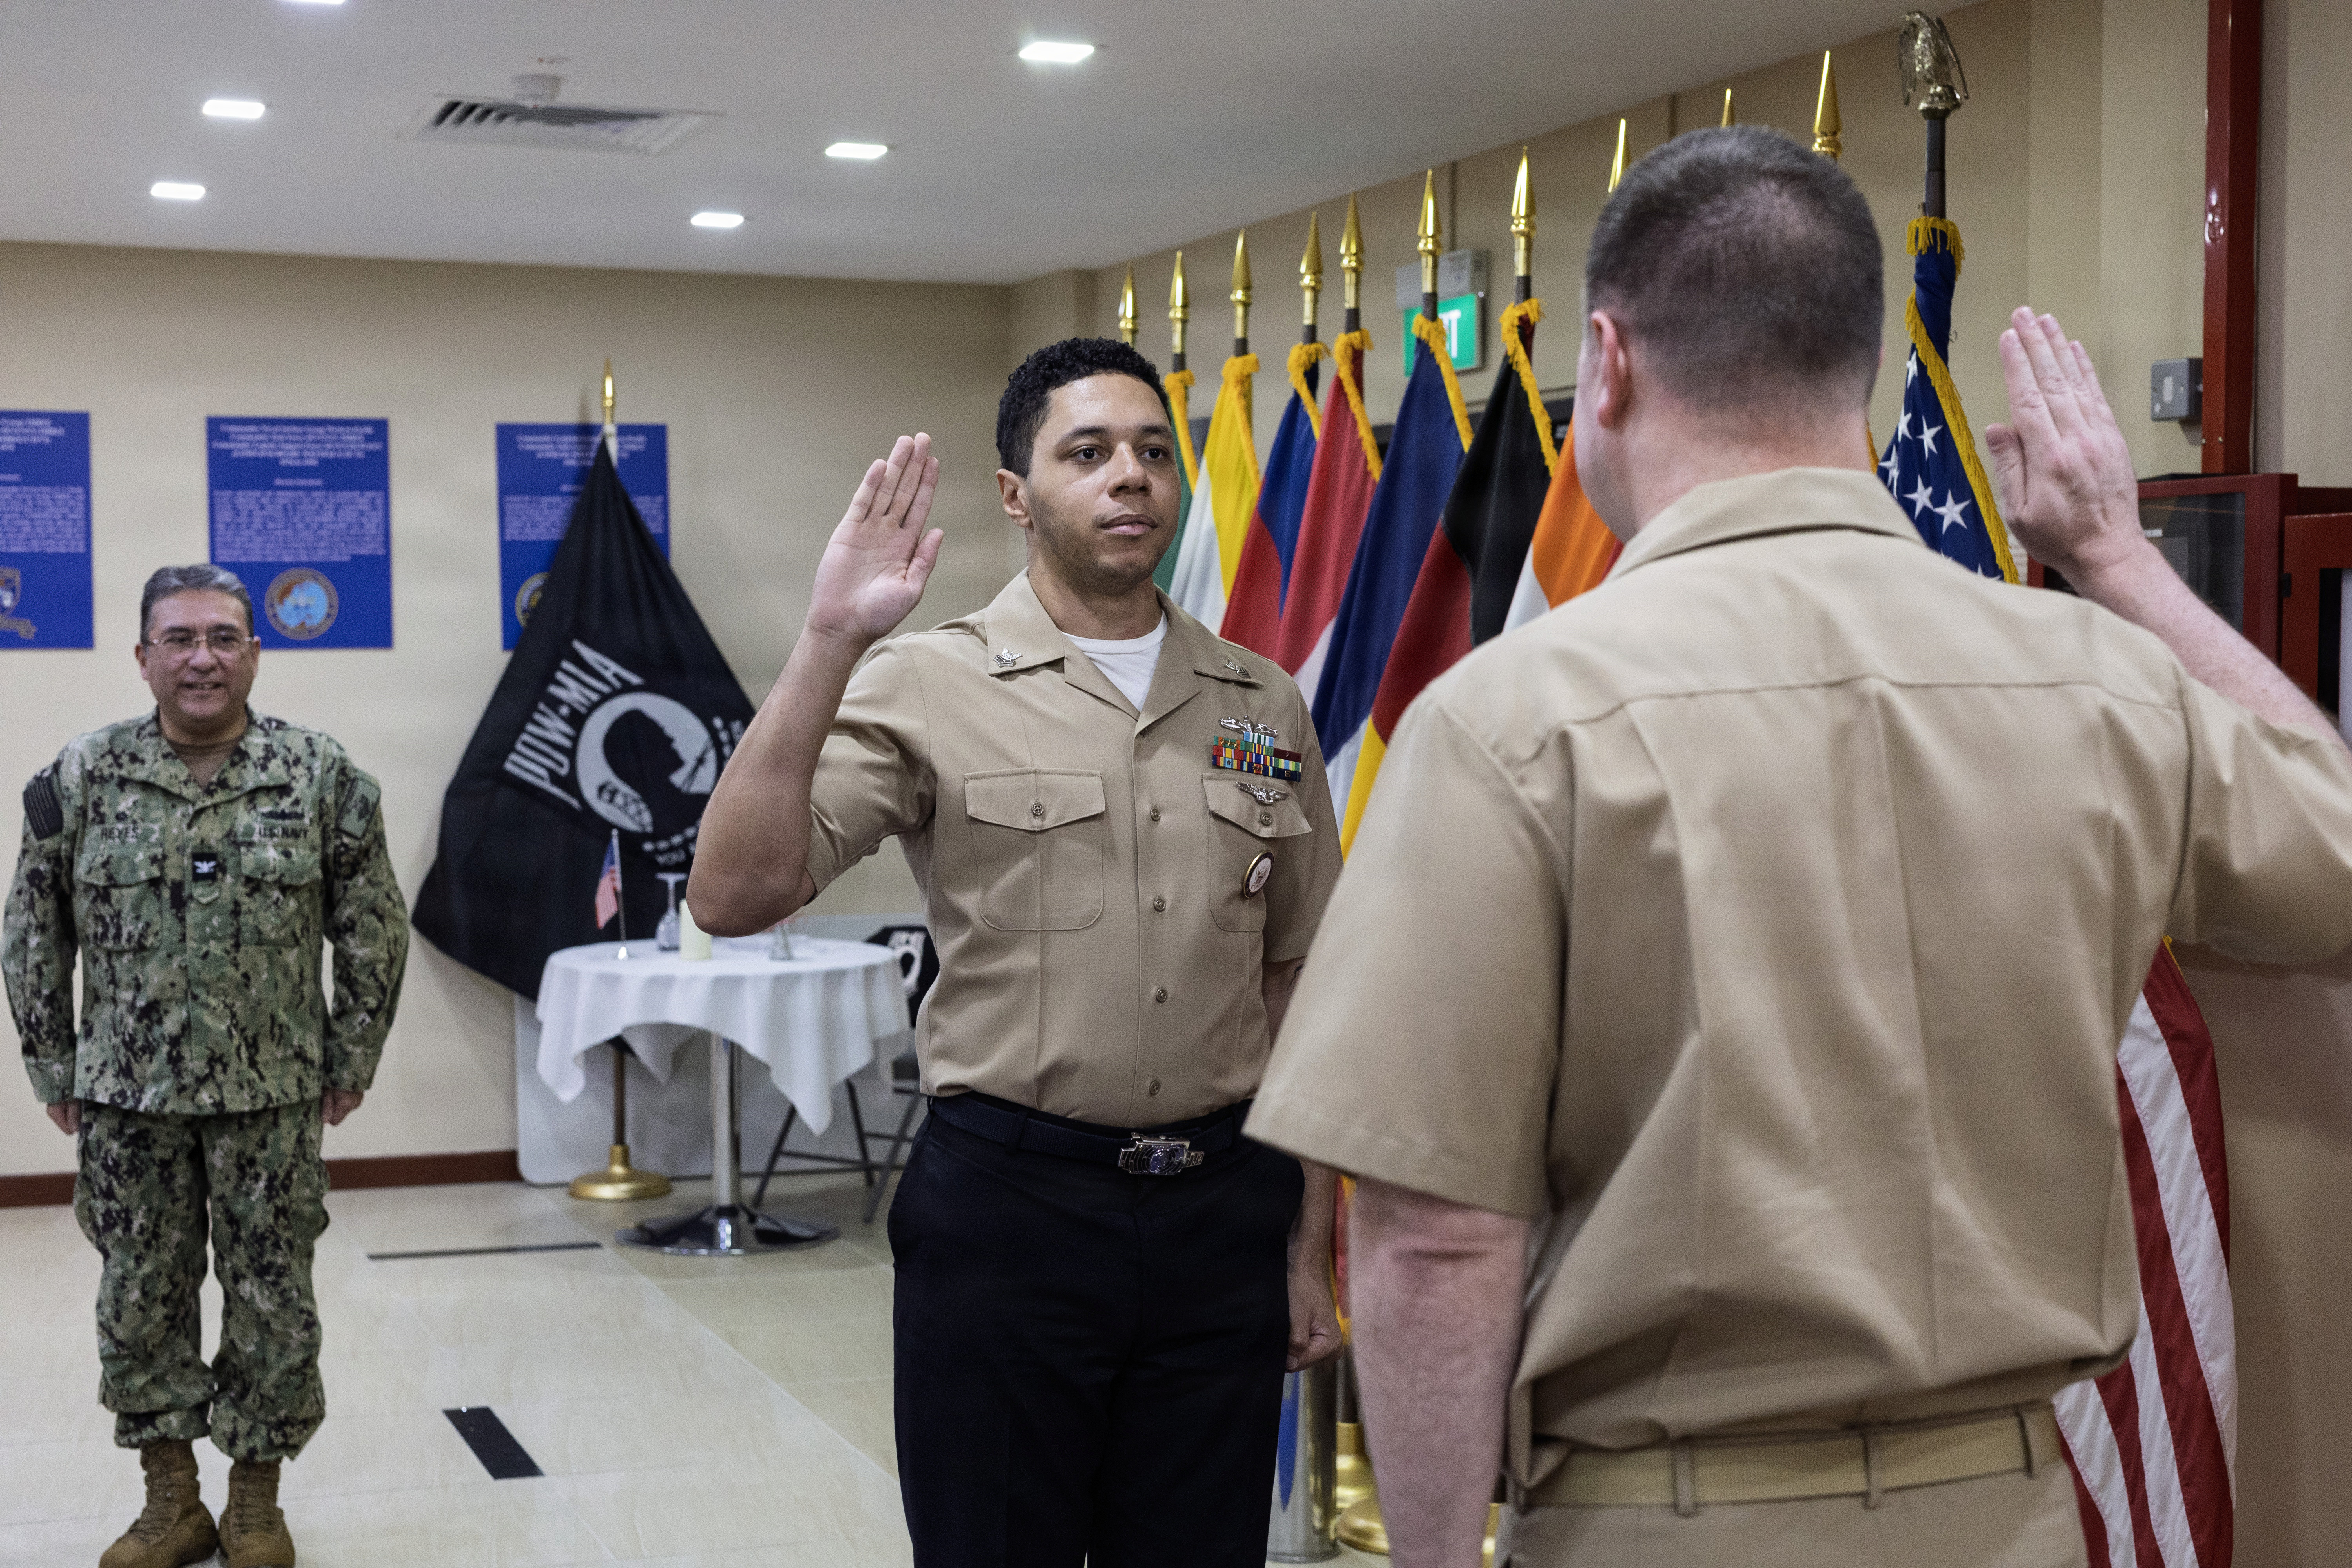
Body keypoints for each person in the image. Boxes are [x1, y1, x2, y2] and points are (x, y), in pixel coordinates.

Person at [1246, 126, 2352, 1568]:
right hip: (2019, 1515)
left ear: (1611, 361)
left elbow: (1434, 1239)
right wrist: (2122, 565)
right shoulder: (2098, 683)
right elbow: (2333, 843)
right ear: (1863, 369)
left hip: (1671, 1517)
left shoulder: (1515, 719)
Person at [689, 337, 1345, 1566]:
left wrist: (1306, 1249)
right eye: (1088, 452)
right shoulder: (927, 680)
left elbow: (1299, 978)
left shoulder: (1262, 701)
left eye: (1154, 451)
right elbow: (734, 892)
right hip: (1013, 1214)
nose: (1131, 477)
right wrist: (829, 637)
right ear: (1017, 495)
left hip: (1221, 1217)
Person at [4, 564, 408, 1568]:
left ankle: (257, 1503)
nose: (201, 657)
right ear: (142, 656)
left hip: (272, 1095)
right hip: (128, 1100)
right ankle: (171, 1500)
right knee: (140, 1297)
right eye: (179, 637)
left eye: (224, 637)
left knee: (273, 1297)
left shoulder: (317, 774)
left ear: (254, 652)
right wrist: (52, 1058)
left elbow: (373, 926)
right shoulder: (83, 775)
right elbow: (31, 922)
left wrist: (351, 1052)